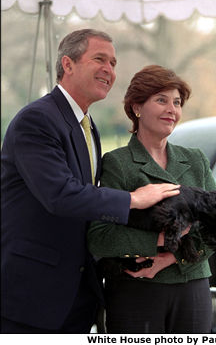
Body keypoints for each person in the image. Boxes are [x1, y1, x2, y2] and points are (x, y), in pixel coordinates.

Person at [1, 30, 179, 334]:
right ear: (67, 64)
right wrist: (133, 199)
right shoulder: (37, 119)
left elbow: (88, 199)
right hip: (34, 294)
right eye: (100, 59)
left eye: (113, 62)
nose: (109, 70)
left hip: (78, 292)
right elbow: (60, 195)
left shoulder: (87, 124)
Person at [87, 65, 216, 334]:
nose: (172, 109)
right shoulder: (117, 163)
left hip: (191, 285)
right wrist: (157, 243)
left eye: (177, 102)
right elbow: (100, 236)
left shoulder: (196, 159)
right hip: (136, 290)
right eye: (161, 100)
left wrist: (170, 257)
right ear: (137, 107)